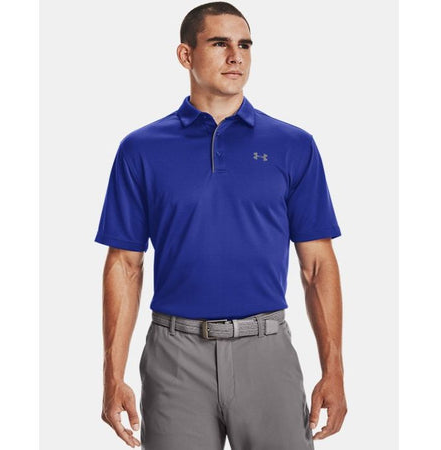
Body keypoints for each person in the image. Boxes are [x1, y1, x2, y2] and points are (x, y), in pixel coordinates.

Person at [94, 2, 347, 449]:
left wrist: (335, 370)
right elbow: (125, 265)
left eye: (245, 45)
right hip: (174, 357)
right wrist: (112, 376)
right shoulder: (141, 149)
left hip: (266, 353)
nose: (236, 56)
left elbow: (317, 267)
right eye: (219, 43)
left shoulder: (293, 145)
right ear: (185, 55)